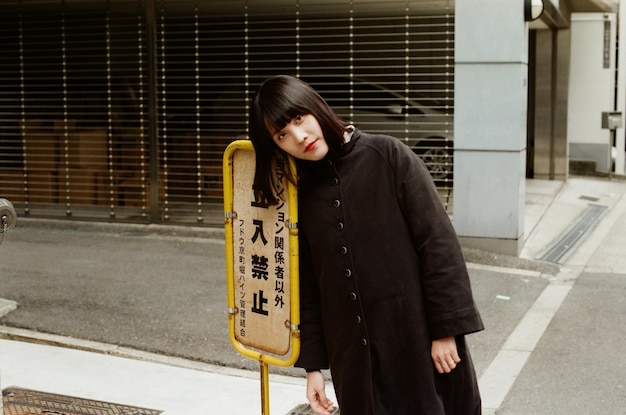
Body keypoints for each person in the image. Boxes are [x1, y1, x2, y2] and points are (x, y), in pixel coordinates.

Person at [248, 74, 484, 415]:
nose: (299, 137)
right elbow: (310, 286)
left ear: (315, 108)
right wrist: (313, 368)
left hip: (420, 344)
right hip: (355, 365)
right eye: (282, 134)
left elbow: (438, 244)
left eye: (299, 119)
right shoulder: (301, 195)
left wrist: (446, 331)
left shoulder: (387, 155)